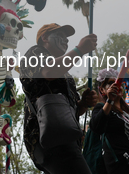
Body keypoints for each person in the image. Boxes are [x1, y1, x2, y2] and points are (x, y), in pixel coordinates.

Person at [19, 23, 98, 174]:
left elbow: (73, 111)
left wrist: (84, 103)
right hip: (48, 138)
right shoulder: (34, 53)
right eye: (61, 36)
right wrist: (79, 50)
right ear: (44, 38)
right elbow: (49, 71)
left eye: (67, 38)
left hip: (64, 137)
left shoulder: (65, 74)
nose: (66, 41)